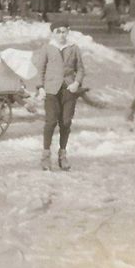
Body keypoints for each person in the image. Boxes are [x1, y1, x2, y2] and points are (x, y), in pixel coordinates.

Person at [32, 21, 85, 171]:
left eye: (64, 31)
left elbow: (80, 69)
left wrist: (77, 82)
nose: (61, 35)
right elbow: (40, 69)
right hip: (51, 90)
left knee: (66, 122)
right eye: (58, 32)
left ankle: (62, 154)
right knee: (50, 122)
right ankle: (45, 155)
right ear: (53, 33)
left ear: (68, 32)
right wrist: (40, 87)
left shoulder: (74, 48)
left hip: (69, 89)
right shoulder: (48, 48)